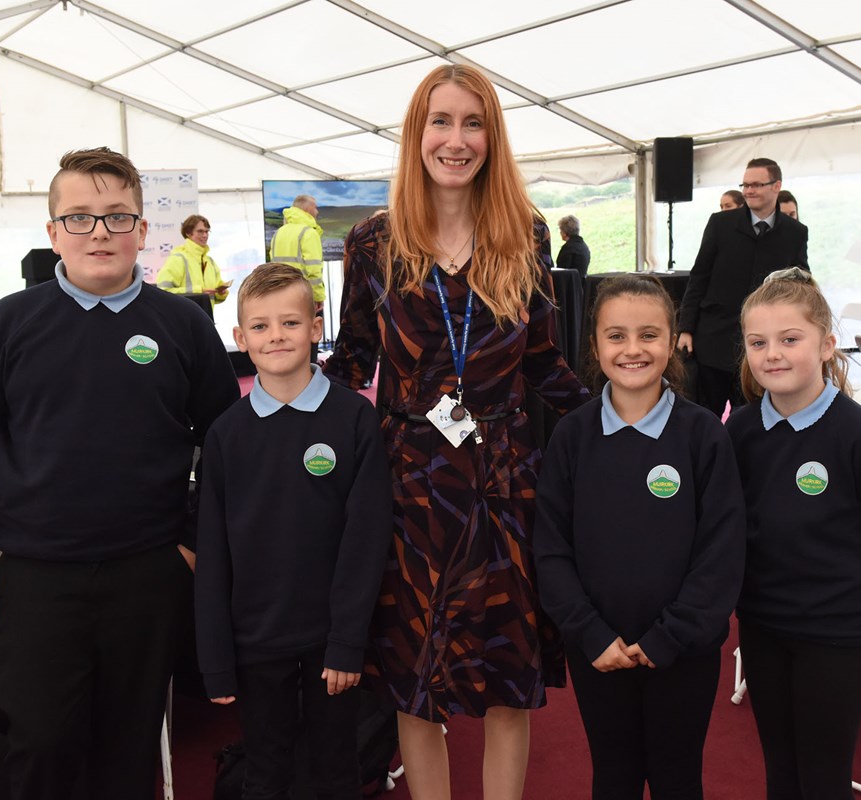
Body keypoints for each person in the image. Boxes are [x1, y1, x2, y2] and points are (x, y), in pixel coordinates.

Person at [0, 147, 240, 800]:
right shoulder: (9, 324)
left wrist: (191, 541)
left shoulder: (182, 325)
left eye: (116, 217)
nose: (99, 231)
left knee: (128, 750)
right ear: (52, 233)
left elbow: (227, 448)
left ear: (142, 231)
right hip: (37, 574)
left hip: (148, 572)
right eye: (79, 217)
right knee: (37, 744)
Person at [323, 64, 589, 800]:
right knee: (415, 683)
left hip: (503, 484)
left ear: (491, 137)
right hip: (406, 487)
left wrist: (624, 419)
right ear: (417, 134)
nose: (457, 139)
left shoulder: (523, 234)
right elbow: (351, 362)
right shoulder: (374, 242)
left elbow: (543, 362)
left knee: (508, 678)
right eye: (442, 121)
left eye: (473, 123)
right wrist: (276, 426)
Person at [534, 274, 745, 799]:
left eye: (649, 335)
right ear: (595, 345)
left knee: (678, 778)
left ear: (673, 340)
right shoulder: (571, 436)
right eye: (617, 336)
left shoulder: (702, 435)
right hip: (598, 650)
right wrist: (589, 632)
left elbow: (721, 553)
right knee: (613, 775)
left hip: (684, 653)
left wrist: (670, 636)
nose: (633, 349)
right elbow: (550, 548)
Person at [726, 269, 861, 800]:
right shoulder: (740, 434)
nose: (773, 353)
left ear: (826, 344)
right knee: (780, 767)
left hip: (837, 636)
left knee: (823, 775)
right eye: (758, 342)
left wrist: (856, 604)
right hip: (764, 627)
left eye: (790, 339)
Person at [196, 263, 391, 799]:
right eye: (259, 326)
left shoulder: (353, 419)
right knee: (266, 769)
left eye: (289, 322)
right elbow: (212, 553)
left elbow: (366, 539)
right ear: (239, 338)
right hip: (255, 642)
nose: (275, 336)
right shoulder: (225, 435)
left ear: (314, 326)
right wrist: (214, 659)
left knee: (335, 768)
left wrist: (348, 641)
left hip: (331, 640)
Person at [677, 158, 808, 417]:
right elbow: (699, 276)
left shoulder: (795, 232)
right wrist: (686, 328)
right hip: (713, 340)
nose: (749, 191)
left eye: (757, 184)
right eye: (745, 185)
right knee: (705, 415)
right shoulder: (720, 224)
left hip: (761, 345)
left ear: (776, 186)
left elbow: (800, 282)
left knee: (752, 416)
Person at [155, 213, 231, 310]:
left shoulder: (210, 261)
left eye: (207, 232)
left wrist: (221, 293)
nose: (205, 235)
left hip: (206, 318)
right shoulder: (178, 259)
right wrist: (198, 292)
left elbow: (216, 298)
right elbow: (163, 292)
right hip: (182, 320)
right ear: (188, 233)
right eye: (200, 231)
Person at [271, 194, 325, 309]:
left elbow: (272, 266)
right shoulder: (309, 233)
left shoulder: (279, 232)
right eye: (315, 207)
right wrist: (318, 297)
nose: (317, 212)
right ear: (307, 209)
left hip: (280, 294)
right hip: (303, 296)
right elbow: (313, 270)